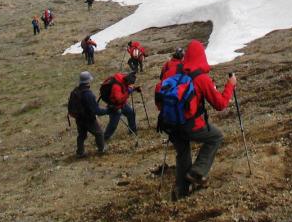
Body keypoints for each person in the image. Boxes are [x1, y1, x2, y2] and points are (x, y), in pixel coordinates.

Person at [156, 39, 236, 200]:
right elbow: (220, 104)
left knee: (183, 152)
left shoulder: (174, 71)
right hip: (190, 124)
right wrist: (230, 85)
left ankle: (181, 191)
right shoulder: (201, 78)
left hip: (169, 123)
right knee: (216, 137)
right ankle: (198, 172)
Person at [67, 71, 107, 157]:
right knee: (99, 133)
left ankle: (80, 152)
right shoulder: (88, 94)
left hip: (78, 118)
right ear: (88, 81)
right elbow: (96, 111)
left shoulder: (75, 91)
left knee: (81, 135)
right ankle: (102, 150)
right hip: (88, 119)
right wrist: (108, 110)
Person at [101, 71, 138, 143]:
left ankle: (132, 131)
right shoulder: (116, 86)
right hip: (114, 106)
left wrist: (134, 89)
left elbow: (126, 88)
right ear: (127, 81)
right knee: (113, 124)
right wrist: (128, 92)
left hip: (122, 104)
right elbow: (119, 99)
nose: (130, 85)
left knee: (131, 113)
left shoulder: (123, 80)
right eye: (129, 84)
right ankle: (104, 138)